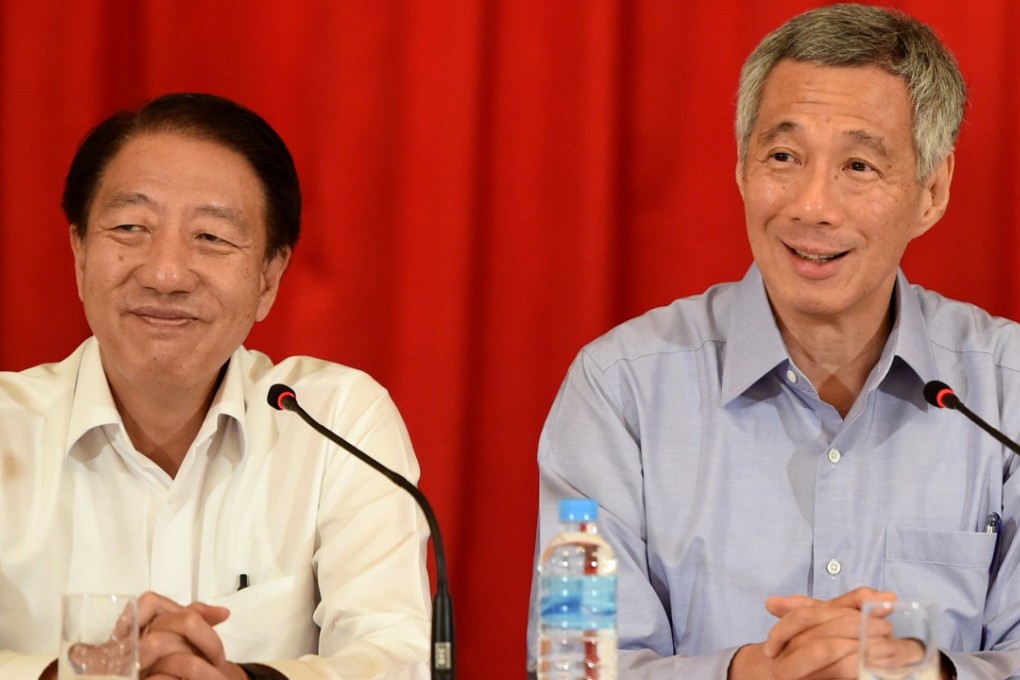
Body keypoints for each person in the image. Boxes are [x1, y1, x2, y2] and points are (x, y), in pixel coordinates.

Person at [530, 4, 1020, 679]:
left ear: (931, 193)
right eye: (783, 156)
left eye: (858, 165)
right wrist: (743, 675)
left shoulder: (1006, 391)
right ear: (741, 168)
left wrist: (926, 673)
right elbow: (574, 668)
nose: (811, 204)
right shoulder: (622, 389)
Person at [0, 93, 431, 680]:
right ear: (79, 252)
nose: (165, 273)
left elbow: (395, 657)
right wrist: (73, 675)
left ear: (268, 279)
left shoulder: (335, 421)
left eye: (211, 237)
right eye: (131, 227)